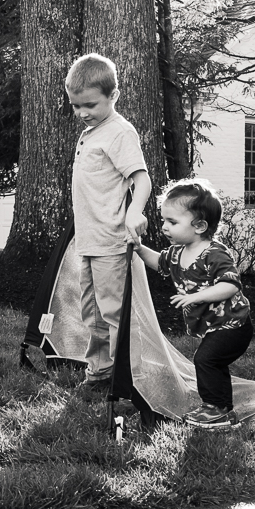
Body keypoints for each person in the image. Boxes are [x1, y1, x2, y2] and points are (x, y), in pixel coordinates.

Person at [134, 177, 253, 429]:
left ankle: (216, 410)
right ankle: (221, 408)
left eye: (172, 222)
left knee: (206, 360)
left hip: (233, 325)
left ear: (199, 226)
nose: (165, 227)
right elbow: (159, 263)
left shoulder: (214, 254)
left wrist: (195, 296)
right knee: (212, 362)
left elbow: (230, 285)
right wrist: (139, 249)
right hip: (215, 325)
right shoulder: (177, 252)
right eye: (165, 220)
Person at [64, 53, 152, 393]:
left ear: (113, 96)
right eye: (75, 106)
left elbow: (141, 178)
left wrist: (135, 210)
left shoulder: (118, 132)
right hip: (89, 240)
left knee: (115, 313)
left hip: (111, 240)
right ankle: (100, 371)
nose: (83, 113)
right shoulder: (92, 131)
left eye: (90, 105)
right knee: (93, 313)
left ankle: (128, 380)